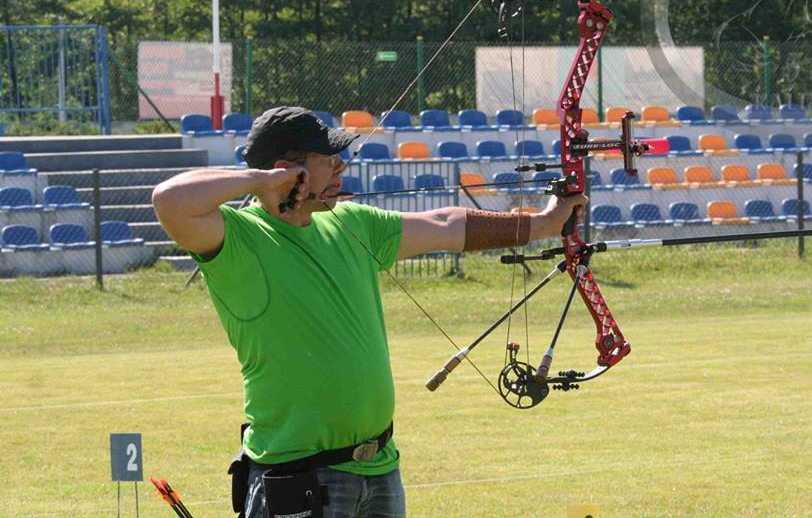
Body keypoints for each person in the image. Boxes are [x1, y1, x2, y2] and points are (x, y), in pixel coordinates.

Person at [151, 106, 585, 518]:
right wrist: (262, 180)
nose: (342, 168)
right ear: (289, 170)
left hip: (380, 468)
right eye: (329, 160)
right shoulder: (238, 240)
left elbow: (446, 225)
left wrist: (543, 224)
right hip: (300, 474)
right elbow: (169, 200)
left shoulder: (351, 223)